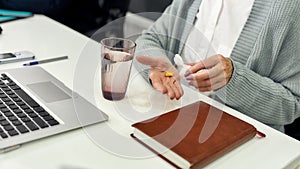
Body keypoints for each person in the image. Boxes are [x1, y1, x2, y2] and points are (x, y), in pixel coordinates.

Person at [133, 0, 300, 136]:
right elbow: (150, 38)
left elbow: (292, 104)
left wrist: (235, 80)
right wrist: (158, 67)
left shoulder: (287, 7)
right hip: (169, 117)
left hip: (237, 141)